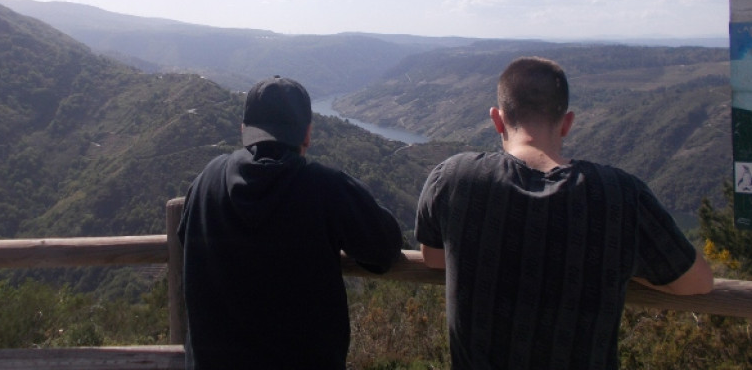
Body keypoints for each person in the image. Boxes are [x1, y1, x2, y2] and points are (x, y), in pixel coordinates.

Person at [415, 56, 713, 370]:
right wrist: (622, 264)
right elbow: (697, 283)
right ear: (567, 122)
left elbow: (434, 259)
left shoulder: (453, 179)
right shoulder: (621, 196)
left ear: (497, 120)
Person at [178, 75, 403, 370]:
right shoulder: (325, 188)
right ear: (307, 134)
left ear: (244, 130)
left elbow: (185, 241)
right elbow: (384, 249)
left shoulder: (207, 181)